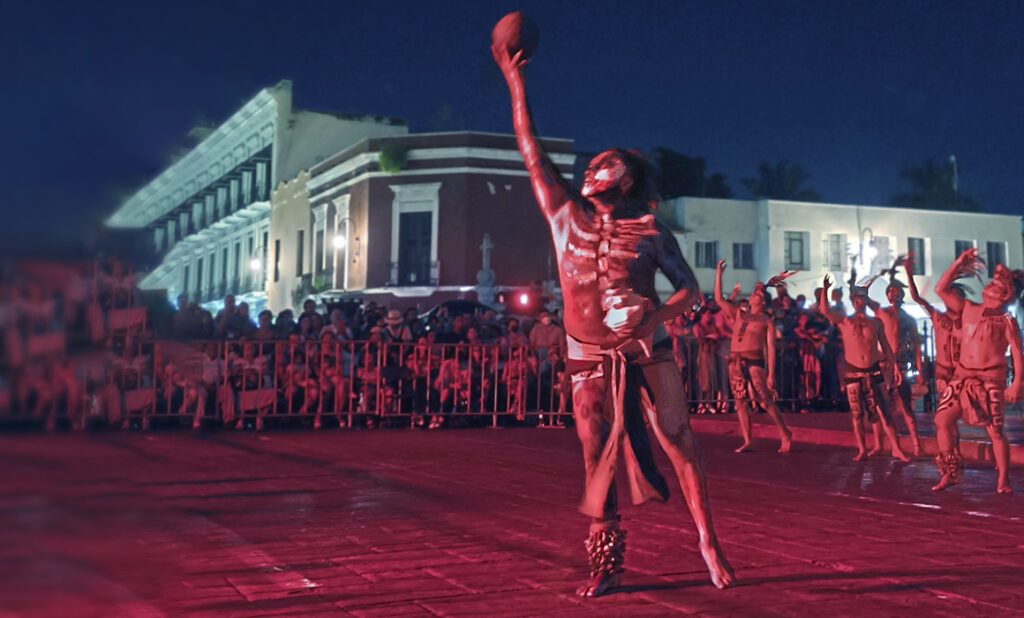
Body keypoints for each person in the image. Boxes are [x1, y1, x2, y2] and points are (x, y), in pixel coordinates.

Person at [494, 36, 733, 597]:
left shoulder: (650, 229)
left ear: (625, 181)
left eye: (609, 163)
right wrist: (514, 82)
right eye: (593, 161)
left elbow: (692, 290)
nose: (595, 166)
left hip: (648, 351)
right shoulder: (562, 215)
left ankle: (708, 542)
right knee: (594, 454)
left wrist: (652, 320)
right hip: (586, 356)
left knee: (679, 442)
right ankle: (607, 565)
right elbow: (530, 148)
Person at [932, 249, 1023, 493]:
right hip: (962, 376)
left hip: (990, 378)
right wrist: (958, 263)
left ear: (1006, 294)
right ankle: (949, 472)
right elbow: (940, 289)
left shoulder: (1006, 320)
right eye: (992, 282)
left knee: (995, 431)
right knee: (942, 419)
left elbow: (1016, 352)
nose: (992, 285)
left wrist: (1015, 383)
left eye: (998, 284)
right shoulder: (968, 308)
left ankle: (1003, 479)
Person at [816, 275, 910, 462]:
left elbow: (886, 345)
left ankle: (896, 449)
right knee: (857, 413)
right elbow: (824, 311)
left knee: (884, 412)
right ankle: (861, 449)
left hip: (874, 371)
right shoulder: (844, 321)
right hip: (853, 372)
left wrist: (895, 368)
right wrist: (825, 291)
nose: (860, 301)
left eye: (863, 298)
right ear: (853, 300)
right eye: (857, 298)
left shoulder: (875, 322)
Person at [714, 261, 792, 453]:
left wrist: (771, 374)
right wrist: (719, 275)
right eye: (754, 293)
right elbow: (718, 299)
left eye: (758, 293)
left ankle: (784, 432)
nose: (755, 294)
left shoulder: (767, 321)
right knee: (740, 402)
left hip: (755, 360)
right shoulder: (739, 315)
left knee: (765, 400)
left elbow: (771, 348)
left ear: (763, 301)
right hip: (736, 361)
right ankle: (748, 440)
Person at [867, 259, 924, 455]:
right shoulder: (881, 312)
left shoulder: (909, 319)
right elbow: (861, 294)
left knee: (906, 405)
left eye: (898, 291)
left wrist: (920, 371)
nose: (894, 294)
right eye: (891, 291)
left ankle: (916, 446)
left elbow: (917, 345)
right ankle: (881, 444)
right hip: (881, 365)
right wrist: (875, 273)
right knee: (880, 406)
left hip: (898, 365)